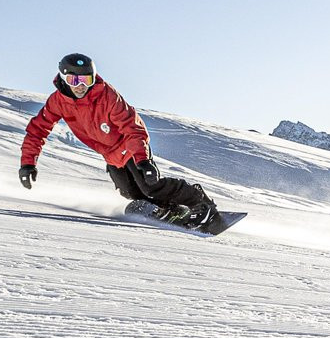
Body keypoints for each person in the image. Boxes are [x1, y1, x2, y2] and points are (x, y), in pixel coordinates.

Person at [18, 52, 226, 232]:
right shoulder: (57, 102)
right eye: (74, 80)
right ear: (63, 79)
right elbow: (37, 130)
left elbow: (131, 127)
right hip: (111, 155)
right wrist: (28, 163)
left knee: (150, 186)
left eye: (86, 80)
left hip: (131, 146)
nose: (81, 86)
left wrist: (143, 161)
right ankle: (169, 209)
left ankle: (199, 202)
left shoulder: (107, 96)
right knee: (131, 193)